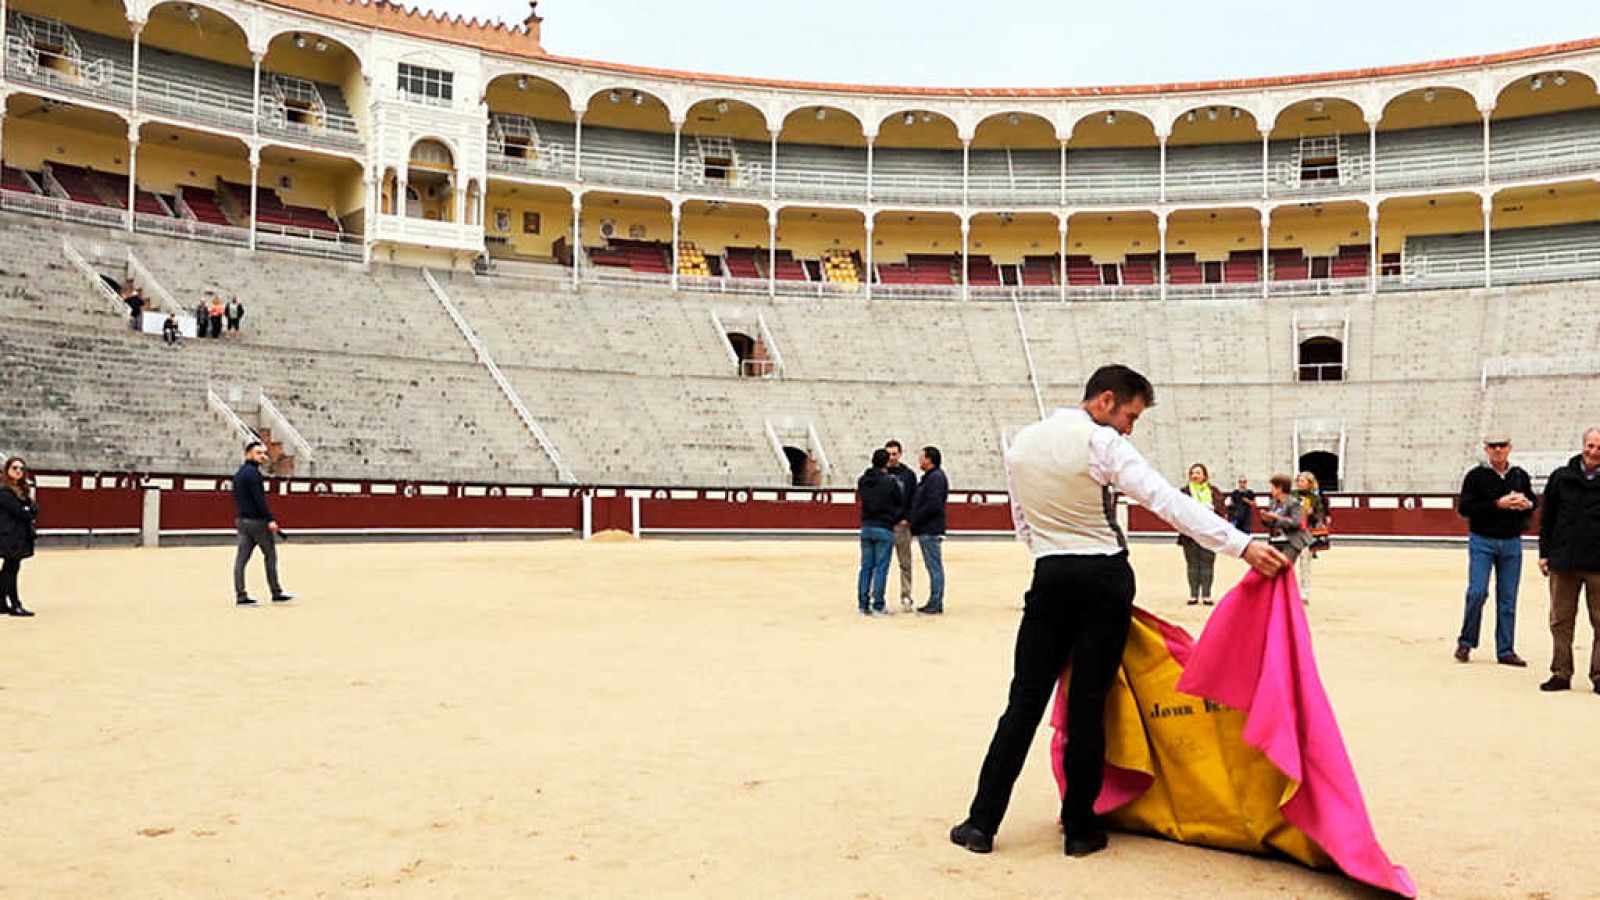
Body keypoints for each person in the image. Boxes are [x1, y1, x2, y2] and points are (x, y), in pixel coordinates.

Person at [948, 365, 1286, 858]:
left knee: (1022, 704)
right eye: (1130, 415)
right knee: (1089, 705)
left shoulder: (1022, 443)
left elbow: (1021, 519)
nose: (1130, 427)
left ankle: (981, 823)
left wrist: (1050, 556)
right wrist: (1241, 546)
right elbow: (1166, 501)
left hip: (1049, 575)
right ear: (1105, 400)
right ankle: (1081, 831)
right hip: (1103, 578)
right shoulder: (1102, 443)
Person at [1454, 433, 1536, 667]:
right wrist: (1497, 504)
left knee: (1508, 597)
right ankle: (1466, 640)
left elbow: (1533, 502)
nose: (1498, 450)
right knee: (1477, 592)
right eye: (1493, 446)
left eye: (1502, 446)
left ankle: (1505, 650)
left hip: (1511, 541)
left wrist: (1526, 504)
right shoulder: (1476, 476)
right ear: (1486, 449)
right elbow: (1465, 508)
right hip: (1483, 540)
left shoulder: (1519, 476)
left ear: (1510, 448)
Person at [1536, 427, 1600, 693]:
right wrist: (1544, 553)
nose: (1594, 452)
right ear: (1582, 445)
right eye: (1590, 445)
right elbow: (1547, 518)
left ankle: (1599, 676)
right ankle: (1561, 673)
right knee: (1560, 621)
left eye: (1599, 447)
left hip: (1599, 563)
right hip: (1563, 561)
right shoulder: (1561, 477)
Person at [232, 441, 294, 606]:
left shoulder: (238, 474)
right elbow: (260, 501)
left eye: (263, 453)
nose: (262, 456)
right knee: (270, 555)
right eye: (258, 453)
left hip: (242, 521)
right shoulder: (254, 475)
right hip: (257, 522)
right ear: (248, 454)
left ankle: (241, 594)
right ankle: (276, 591)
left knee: (241, 559)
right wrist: (270, 519)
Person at [856, 447, 901, 617]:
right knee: (881, 568)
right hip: (884, 526)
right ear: (886, 462)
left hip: (867, 526)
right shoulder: (890, 481)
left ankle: (863, 604)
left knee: (866, 567)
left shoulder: (863, 480)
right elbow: (899, 501)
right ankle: (878, 605)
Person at [1178, 462, 1226, 606]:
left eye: (1198, 473)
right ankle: (1193, 594)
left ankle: (1206, 594)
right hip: (1190, 534)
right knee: (1192, 564)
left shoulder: (1214, 491)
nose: (1195, 476)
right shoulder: (1184, 491)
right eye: (1192, 473)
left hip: (1209, 532)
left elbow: (1221, 510)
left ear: (1205, 475)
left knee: (1207, 563)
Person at [908, 445, 948, 615]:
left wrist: (915, 520)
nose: (919, 460)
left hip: (929, 528)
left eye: (922, 457)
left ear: (929, 459)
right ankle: (935, 601)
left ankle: (936, 602)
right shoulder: (933, 477)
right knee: (933, 566)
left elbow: (932, 505)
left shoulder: (935, 478)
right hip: (928, 527)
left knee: (934, 567)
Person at [0, 457, 39, 617]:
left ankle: (2, 603)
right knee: (11, 569)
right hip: (9, 536)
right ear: (7, 470)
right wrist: (28, 509)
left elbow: (34, 510)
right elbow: (22, 512)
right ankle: (15, 604)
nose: (18, 471)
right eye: (15, 468)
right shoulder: (4, 491)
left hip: (18, 535)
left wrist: (29, 509)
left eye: (21, 469)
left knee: (9, 569)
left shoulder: (21, 490)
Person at [885, 440, 918, 611]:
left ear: (900, 454)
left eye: (894, 454)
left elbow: (914, 499)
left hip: (902, 525)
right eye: (888, 454)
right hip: (884, 525)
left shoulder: (908, 475)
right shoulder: (879, 473)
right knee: (881, 563)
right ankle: (878, 598)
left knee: (905, 563)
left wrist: (908, 519)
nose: (891, 457)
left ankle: (906, 595)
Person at [1261, 474, 1311, 569]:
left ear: (1279, 488)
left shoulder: (1293, 502)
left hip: (1291, 541)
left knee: (1284, 569)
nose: (1270, 490)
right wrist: (1266, 519)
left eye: (1272, 487)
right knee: (1271, 568)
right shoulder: (1273, 502)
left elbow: (1296, 522)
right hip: (1275, 540)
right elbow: (1271, 524)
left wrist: (1277, 517)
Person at [1292, 472, 1329, 602]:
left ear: (1309, 483)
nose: (1300, 483)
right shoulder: (1292, 495)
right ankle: (1289, 592)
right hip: (1291, 533)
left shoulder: (1315, 498)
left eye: (1303, 481)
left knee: (1305, 564)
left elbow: (1319, 517)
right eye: (1299, 481)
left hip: (1307, 533)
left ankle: (1304, 593)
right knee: (1288, 564)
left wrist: (1312, 514)